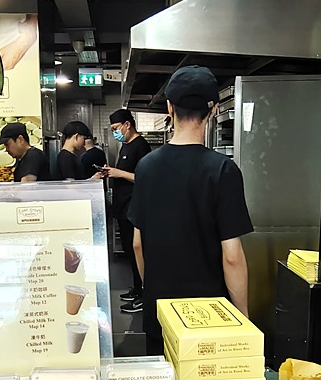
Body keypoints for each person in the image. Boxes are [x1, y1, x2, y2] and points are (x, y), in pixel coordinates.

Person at [128, 66, 253, 355]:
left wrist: (155, 289)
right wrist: (243, 315)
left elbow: (137, 244)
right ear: (214, 109)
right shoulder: (223, 170)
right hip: (210, 315)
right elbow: (232, 256)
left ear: (170, 108)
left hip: (161, 312)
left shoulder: (146, 167)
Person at [103, 108, 152, 313]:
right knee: (129, 251)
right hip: (123, 208)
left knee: (137, 251)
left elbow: (145, 178)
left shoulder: (141, 146)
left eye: (116, 128)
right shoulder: (125, 146)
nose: (115, 132)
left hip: (134, 208)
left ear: (127, 124)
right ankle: (136, 288)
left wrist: (118, 173)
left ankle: (144, 295)